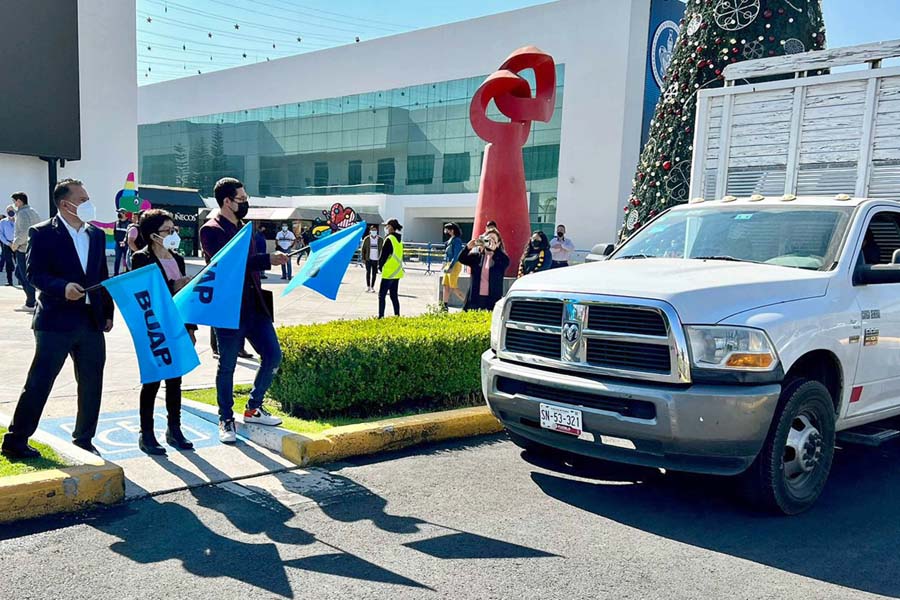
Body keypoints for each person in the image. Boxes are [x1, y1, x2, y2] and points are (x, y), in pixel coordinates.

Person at [1, 179, 114, 459]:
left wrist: (107, 313)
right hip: (55, 321)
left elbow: (102, 277)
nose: (89, 204)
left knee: (91, 381)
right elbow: (35, 274)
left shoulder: (96, 235)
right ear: (66, 204)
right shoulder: (42, 233)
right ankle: (16, 440)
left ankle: (84, 438)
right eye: (83, 199)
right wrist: (63, 288)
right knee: (40, 380)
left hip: (90, 321)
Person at [200, 177, 288, 443]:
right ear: (226, 201)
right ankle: (226, 418)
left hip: (255, 306)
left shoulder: (245, 227)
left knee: (273, 356)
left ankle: (254, 406)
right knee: (227, 366)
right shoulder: (211, 230)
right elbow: (228, 264)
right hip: (228, 309)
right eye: (241, 199)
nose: (245, 203)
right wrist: (267, 259)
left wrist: (269, 259)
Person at [131, 209, 196, 455]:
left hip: (176, 324)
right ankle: (146, 433)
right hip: (153, 327)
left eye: (174, 230)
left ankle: (174, 428)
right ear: (153, 235)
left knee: (175, 380)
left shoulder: (177, 258)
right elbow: (144, 291)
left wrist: (190, 327)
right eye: (168, 231)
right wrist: (173, 285)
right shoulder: (141, 258)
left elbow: (185, 298)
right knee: (152, 381)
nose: (173, 235)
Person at [458, 228, 509, 312]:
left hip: (492, 298)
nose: (490, 242)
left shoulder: (501, 258)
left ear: (498, 243)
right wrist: (467, 248)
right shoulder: (477, 257)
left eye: (493, 240)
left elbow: (505, 263)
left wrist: (495, 251)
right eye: (488, 240)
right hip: (475, 297)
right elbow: (461, 259)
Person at [11, 192, 40, 312]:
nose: (13, 204)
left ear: (19, 201)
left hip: (23, 249)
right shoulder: (33, 212)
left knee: (24, 275)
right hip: (33, 248)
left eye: (14, 201)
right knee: (20, 273)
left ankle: (30, 302)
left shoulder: (22, 213)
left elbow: (23, 233)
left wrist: (15, 244)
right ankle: (32, 300)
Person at [377, 218, 404, 318]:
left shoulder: (389, 239)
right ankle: (397, 315)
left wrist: (379, 267)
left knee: (382, 295)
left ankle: (381, 317)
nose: (386, 228)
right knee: (394, 295)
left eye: (387, 226)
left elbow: (383, 256)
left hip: (388, 272)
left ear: (391, 227)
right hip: (397, 272)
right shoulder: (399, 241)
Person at [441, 222, 465, 309]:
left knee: (453, 286)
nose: (446, 231)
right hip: (448, 263)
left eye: (448, 229)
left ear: (452, 230)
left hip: (454, 264)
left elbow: (456, 255)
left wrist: (451, 267)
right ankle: (444, 305)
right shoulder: (451, 240)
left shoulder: (457, 240)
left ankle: (466, 302)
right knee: (445, 285)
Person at [360, 225, 381, 293]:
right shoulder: (367, 239)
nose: (374, 231)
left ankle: (372, 287)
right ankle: (368, 286)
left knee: (374, 273)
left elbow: (382, 250)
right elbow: (363, 249)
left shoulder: (380, 239)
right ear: (370, 231)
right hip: (368, 259)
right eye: (372, 230)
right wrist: (363, 258)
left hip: (376, 259)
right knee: (368, 272)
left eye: (375, 230)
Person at [0, 206, 16, 286]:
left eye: (12, 210)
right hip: (7, 244)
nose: (10, 211)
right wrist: (8, 243)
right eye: (8, 210)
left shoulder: (18, 220)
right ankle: (9, 281)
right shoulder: (3, 222)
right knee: (8, 263)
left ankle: (22, 281)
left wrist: (16, 242)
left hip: (17, 244)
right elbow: (1, 234)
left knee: (20, 263)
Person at [113, 208, 130, 276]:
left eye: (120, 213)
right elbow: (115, 233)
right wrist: (118, 241)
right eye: (118, 213)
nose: (118, 214)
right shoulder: (116, 222)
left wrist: (125, 242)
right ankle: (115, 273)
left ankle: (127, 273)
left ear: (124, 214)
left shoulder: (129, 223)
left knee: (127, 259)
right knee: (117, 259)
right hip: (118, 244)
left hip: (126, 244)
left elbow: (129, 234)